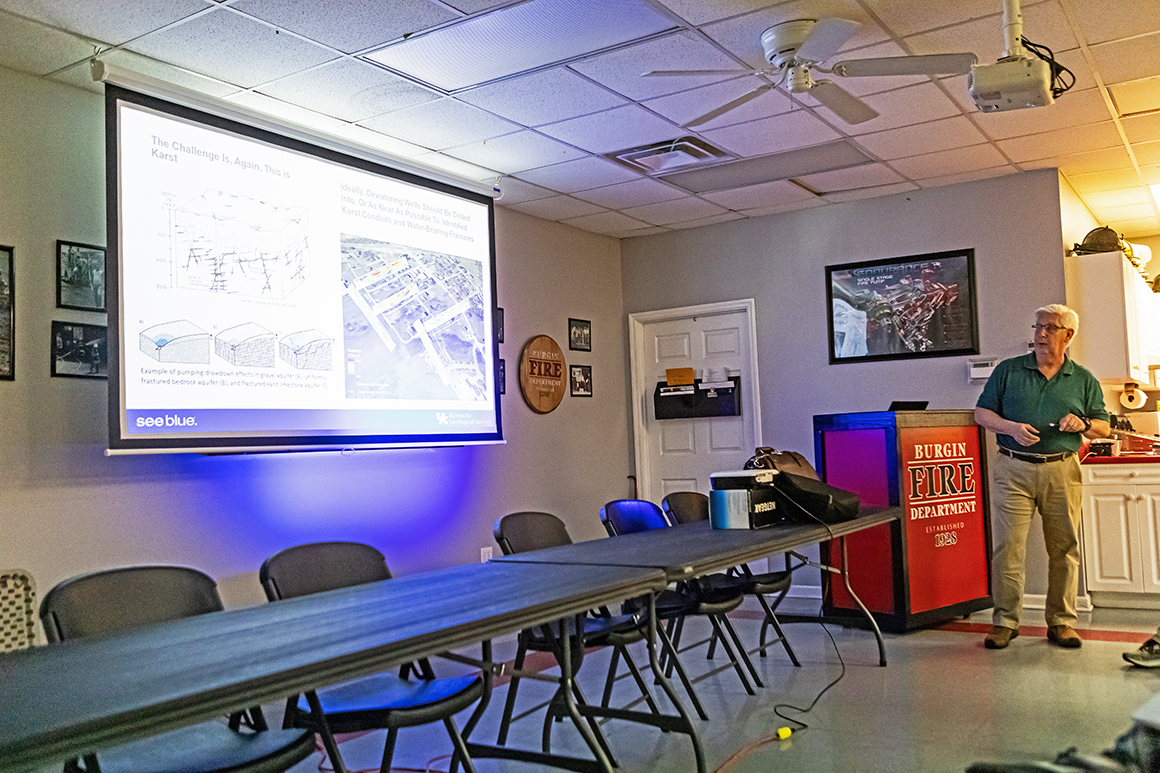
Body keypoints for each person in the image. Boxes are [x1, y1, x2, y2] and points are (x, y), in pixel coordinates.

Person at [974, 304, 1110, 650]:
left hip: (1062, 469)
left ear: (1068, 335)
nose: (1041, 334)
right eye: (1038, 326)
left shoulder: (1083, 379)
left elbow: (1103, 426)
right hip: (1013, 468)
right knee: (1008, 548)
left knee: (1064, 548)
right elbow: (982, 413)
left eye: (1050, 327)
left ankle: (1062, 622)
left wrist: (1084, 424)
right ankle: (1004, 622)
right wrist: (1011, 428)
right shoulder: (1008, 371)